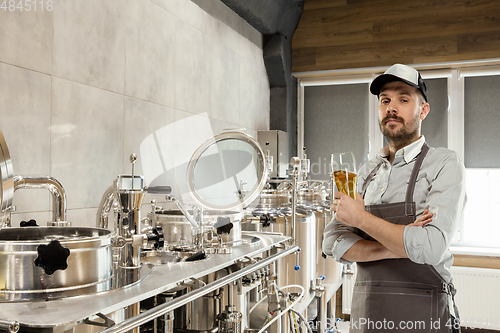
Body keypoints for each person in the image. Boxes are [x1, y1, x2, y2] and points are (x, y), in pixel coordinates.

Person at [323, 64, 466, 333]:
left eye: (403, 99)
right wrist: (397, 246)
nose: (391, 107)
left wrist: (360, 219)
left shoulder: (444, 164)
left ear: (423, 110)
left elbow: (431, 247)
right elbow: (333, 242)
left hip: (425, 314)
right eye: (385, 100)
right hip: (369, 313)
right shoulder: (366, 173)